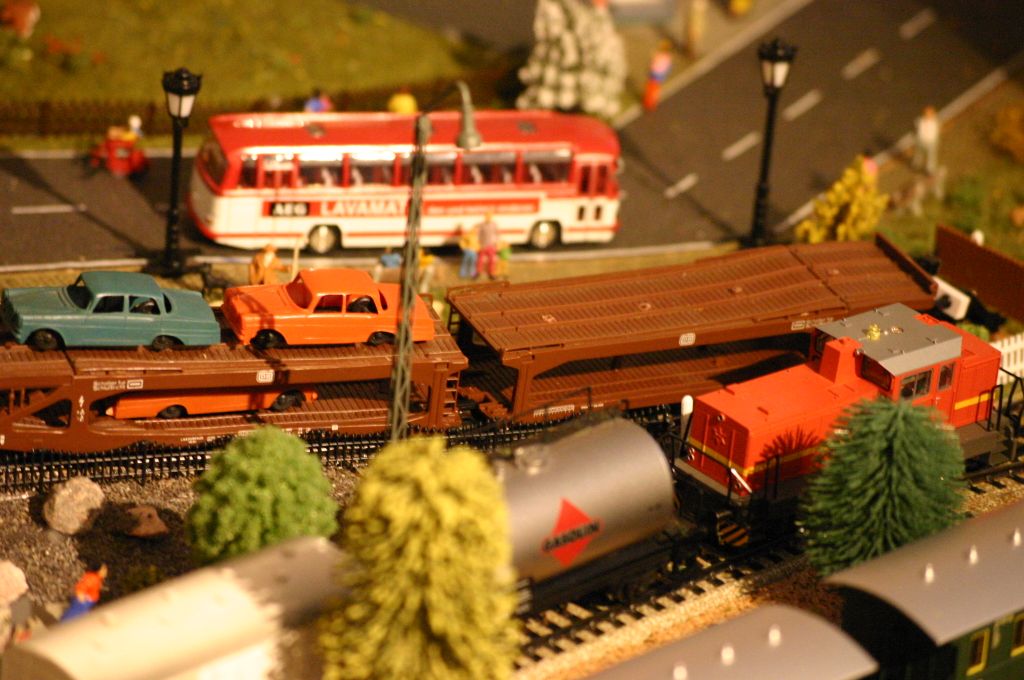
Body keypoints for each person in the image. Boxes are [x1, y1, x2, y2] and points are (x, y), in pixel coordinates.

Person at [643, 40, 673, 111]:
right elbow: (668, 67)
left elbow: (653, 62)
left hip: (655, 72)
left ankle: (648, 102)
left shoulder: (659, 55)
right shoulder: (668, 57)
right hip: (661, 74)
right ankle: (653, 102)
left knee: (651, 87)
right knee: (655, 88)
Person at [914, 105, 940, 175]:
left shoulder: (934, 122)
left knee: (931, 157)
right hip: (921, 140)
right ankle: (917, 165)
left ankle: (930, 170)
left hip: (931, 141)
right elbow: (917, 129)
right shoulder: (920, 121)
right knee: (919, 154)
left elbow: (935, 132)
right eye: (927, 113)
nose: (929, 115)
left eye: (930, 113)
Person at [474, 212, 500, 280]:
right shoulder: (482, 225)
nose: (488, 217)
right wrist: (479, 244)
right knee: (480, 260)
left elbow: (497, 235)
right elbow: (479, 235)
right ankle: (478, 272)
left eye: (489, 216)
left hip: (491, 245)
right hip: (483, 245)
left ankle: (491, 273)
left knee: (492, 260)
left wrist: (497, 244)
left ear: (491, 217)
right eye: (486, 216)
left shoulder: (494, 225)